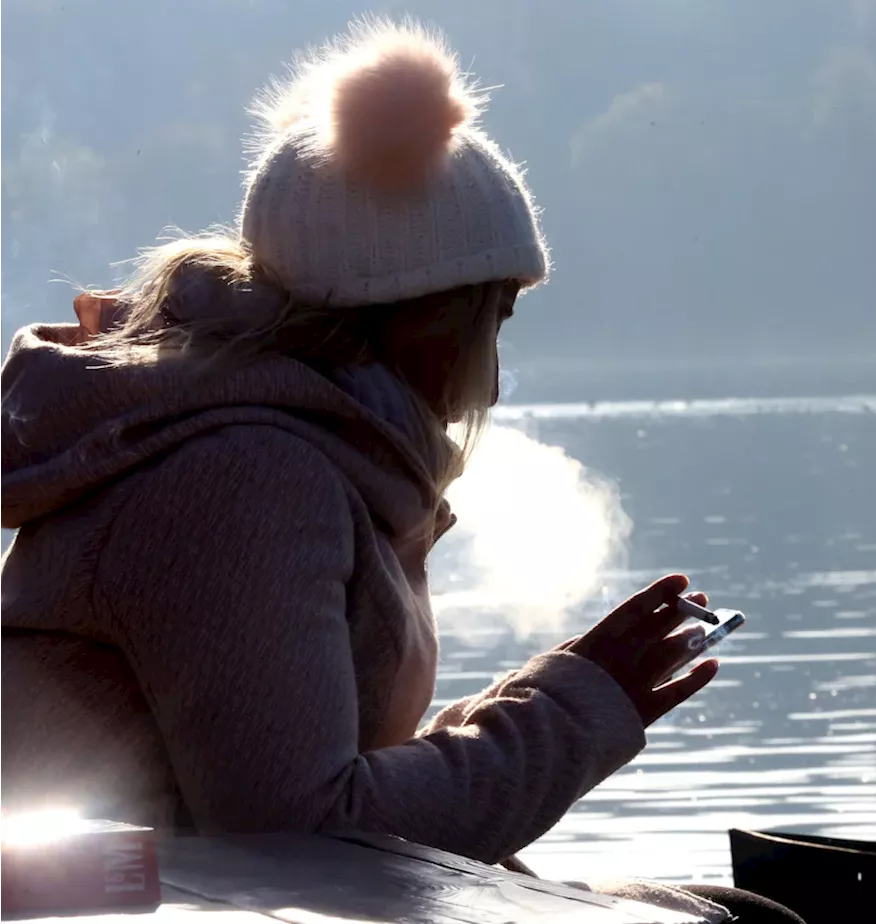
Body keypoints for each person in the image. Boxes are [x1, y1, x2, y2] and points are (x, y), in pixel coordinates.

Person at [0, 17, 804, 924]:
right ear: (406, 314)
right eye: (487, 320)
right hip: (148, 913)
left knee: (738, 911)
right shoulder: (242, 479)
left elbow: (313, 792)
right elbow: (305, 837)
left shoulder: (292, 453)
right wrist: (578, 711)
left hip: (226, 899)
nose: (490, 379)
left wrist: (557, 691)